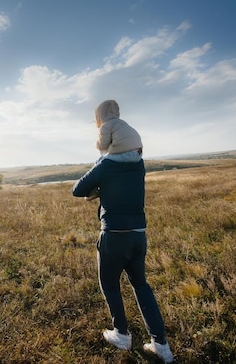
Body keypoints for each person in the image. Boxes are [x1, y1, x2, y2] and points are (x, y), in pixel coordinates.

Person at [72, 106, 173, 363]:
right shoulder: (139, 165)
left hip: (114, 236)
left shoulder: (105, 165)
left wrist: (98, 186)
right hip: (139, 234)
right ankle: (161, 345)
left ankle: (122, 334)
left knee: (109, 284)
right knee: (141, 284)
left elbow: (78, 189)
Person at [86, 99, 143, 201]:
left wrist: (97, 143)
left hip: (126, 154)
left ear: (100, 116)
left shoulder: (106, 126)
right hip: (137, 154)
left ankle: (94, 190)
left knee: (99, 162)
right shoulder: (122, 123)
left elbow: (102, 145)